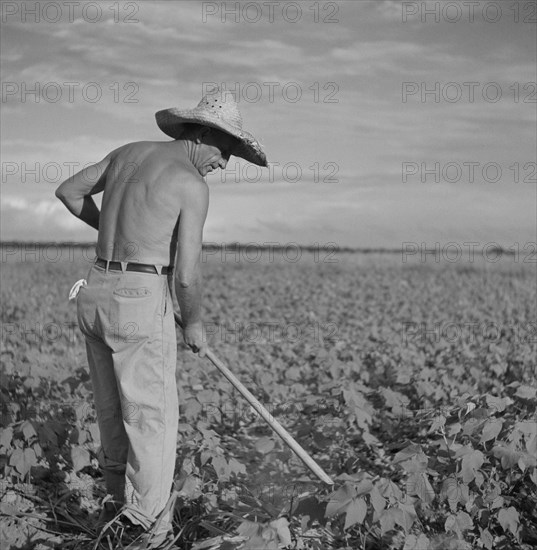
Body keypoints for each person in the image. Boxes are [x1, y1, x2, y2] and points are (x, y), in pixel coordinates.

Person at [55, 87, 267, 548]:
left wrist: (119, 234)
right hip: (138, 296)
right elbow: (186, 276)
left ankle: (119, 512)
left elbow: (68, 191)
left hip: (94, 289)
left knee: (113, 409)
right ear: (202, 133)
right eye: (225, 150)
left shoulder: (127, 154)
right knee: (150, 418)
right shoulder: (191, 185)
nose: (225, 163)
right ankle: (147, 531)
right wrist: (193, 323)